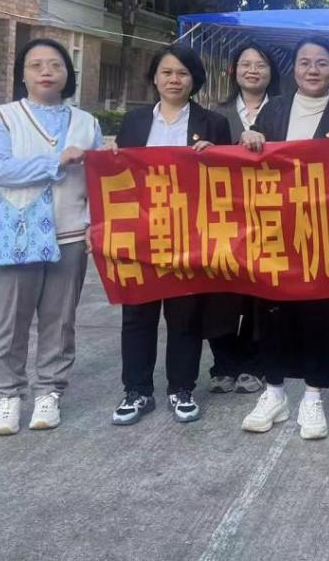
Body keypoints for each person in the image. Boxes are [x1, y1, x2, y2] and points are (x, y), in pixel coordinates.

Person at [238, 36, 329, 439]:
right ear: (293, 69)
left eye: (322, 62)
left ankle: (313, 395)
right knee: (272, 310)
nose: (313, 69)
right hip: (276, 228)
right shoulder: (274, 109)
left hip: (326, 231)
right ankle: (274, 392)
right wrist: (249, 139)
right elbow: (249, 160)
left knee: (324, 312)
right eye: (305, 62)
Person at [0, 38, 104, 435]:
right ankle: (8, 396)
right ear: (22, 74)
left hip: (70, 232)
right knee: (10, 320)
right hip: (17, 233)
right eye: (36, 65)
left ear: (68, 73)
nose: (46, 71)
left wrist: (94, 223)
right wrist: (55, 161)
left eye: (55, 64)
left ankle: (49, 390)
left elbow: (99, 181)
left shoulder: (87, 123)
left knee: (60, 320)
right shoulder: (0, 118)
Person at [111, 43, 234, 426]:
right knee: (137, 315)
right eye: (166, 72)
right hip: (140, 233)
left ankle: (181, 388)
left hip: (188, 235)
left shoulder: (213, 123)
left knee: (185, 317)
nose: (174, 80)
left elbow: (230, 182)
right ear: (154, 78)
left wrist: (215, 157)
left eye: (182, 73)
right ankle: (137, 391)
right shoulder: (134, 122)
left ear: (195, 79)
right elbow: (117, 178)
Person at [209, 42, 282, 396]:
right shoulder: (215, 114)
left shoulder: (284, 112)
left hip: (270, 215)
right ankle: (224, 363)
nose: (253, 70)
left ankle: (255, 364)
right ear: (233, 70)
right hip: (224, 215)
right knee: (221, 293)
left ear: (271, 72)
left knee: (261, 293)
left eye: (261, 64)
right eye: (246, 64)